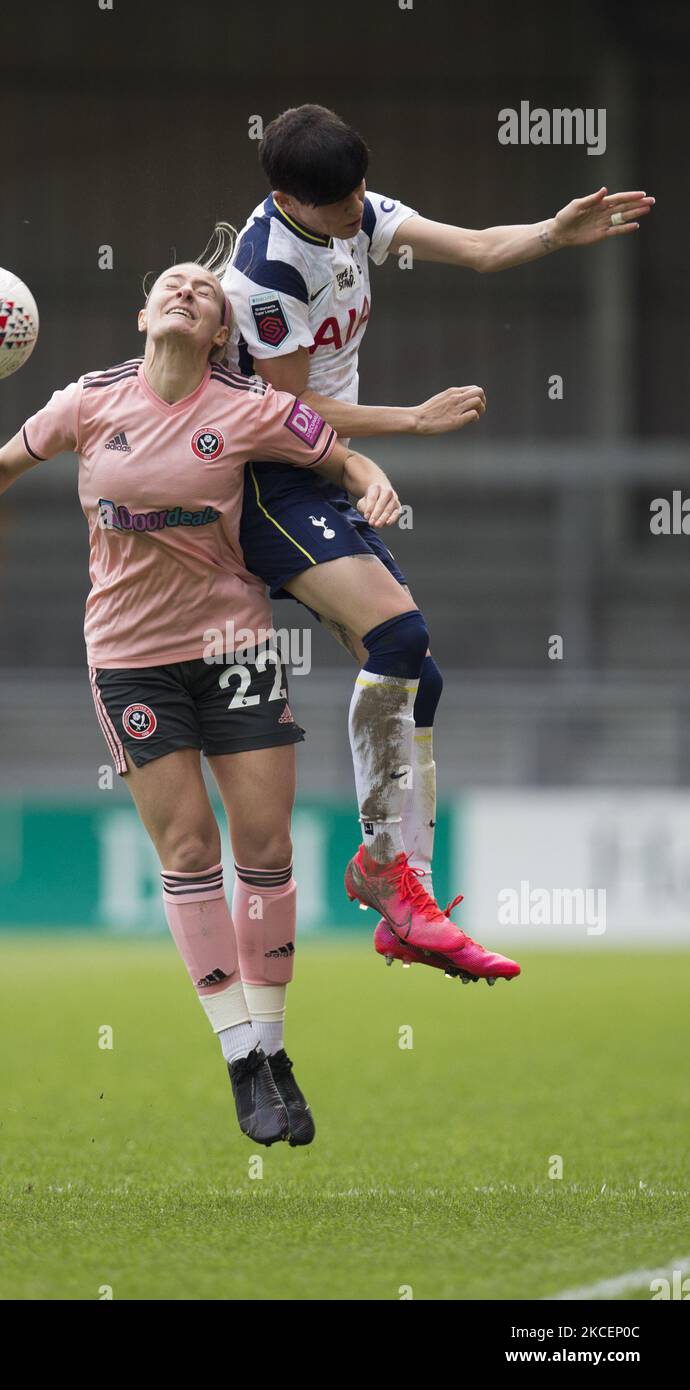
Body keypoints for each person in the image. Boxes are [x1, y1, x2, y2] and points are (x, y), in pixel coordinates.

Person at [0, 253, 407, 1145]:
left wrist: (370, 479)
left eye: (204, 290)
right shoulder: (89, 401)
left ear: (223, 331)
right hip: (130, 659)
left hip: (233, 646)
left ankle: (274, 1050)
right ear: (142, 314)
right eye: (169, 285)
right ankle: (239, 1062)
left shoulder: (251, 409)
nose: (187, 291)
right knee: (190, 846)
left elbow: (336, 452)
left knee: (264, 842)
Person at [222, 103, 653, 982]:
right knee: (400, 639)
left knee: (421, 671)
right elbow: (282, 413)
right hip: (264, 477)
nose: (360, 212)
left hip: (319, 467)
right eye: (340, 204)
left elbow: (480, 247)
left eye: (362, 192)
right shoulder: (266, 272)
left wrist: (551, 234)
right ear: (286, 198)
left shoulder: (355, 210)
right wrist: (407, 425)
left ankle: (404, 898)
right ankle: (386, 872)